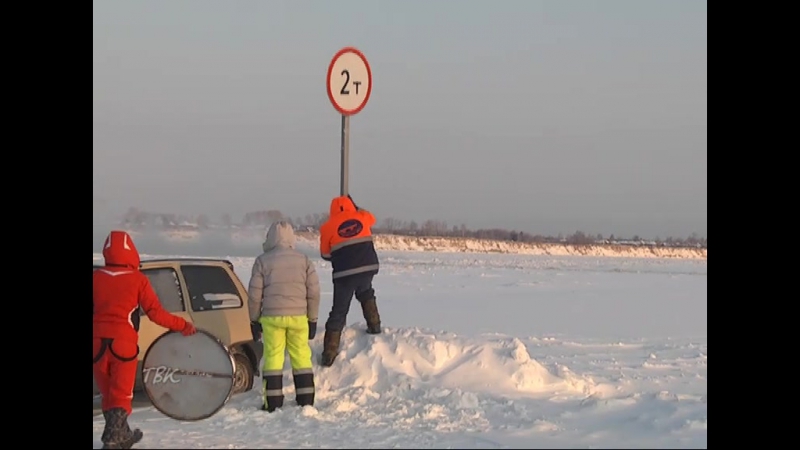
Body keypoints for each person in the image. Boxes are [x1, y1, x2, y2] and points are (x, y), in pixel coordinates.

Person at [93, 230, 196, 449]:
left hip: (96, 344)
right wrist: (183, 325)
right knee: (121, 393)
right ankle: (111, 439)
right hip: (124, 344)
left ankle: (123, 435)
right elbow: (156, 313)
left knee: (108, 392)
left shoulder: (96, 278)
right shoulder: (137, 280)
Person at [248, 220, 321, 412]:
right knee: (301, 357)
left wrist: (254, 320)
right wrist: (312, 319)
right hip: (299, 317)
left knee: (273, 357)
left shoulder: (262, 261)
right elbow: (314, 292)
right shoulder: (304, 260)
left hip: (272, 319)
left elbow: (255, 295)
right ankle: (306, 400)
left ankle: (272, 402)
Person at [319, 194, 382, 367]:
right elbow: (372, 217)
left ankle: (329, 353)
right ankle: (375, 325)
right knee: (366, 292)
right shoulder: (362, 217)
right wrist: (357, 208)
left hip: (344, 274)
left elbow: (325, 254)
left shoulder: (327, 228)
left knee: (339, 310)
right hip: (368, 267)